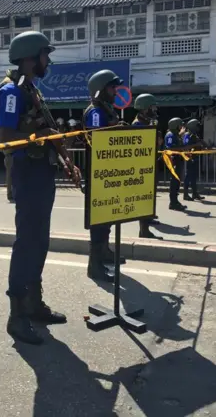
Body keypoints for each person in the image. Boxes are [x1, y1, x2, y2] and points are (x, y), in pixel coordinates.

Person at [0, 30, 81, 345]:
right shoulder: (12, 92)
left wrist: (68, 161)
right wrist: (39, 129)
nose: (49, 60)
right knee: (28, 242)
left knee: (40, 241)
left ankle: (32, 304)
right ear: (31, 57)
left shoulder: (32, 89)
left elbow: (50, 130)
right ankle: (16, 315)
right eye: (46, 54)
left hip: (42, 170)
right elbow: (6, 138)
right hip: (27, 171)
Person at [82, 69, 127, 282]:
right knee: (98, 222)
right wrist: (114, 129)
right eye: (111, 87)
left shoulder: (106, 109)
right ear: (100, 90)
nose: (115, 91)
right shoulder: (95, 112)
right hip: (96, 174)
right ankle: (94, 265)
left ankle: (105, 252)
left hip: (108, 173)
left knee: (107, 218)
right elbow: (97, 140)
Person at [132, 93, 163, 235]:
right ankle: (143, 230)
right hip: (142, 166)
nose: (155, 110)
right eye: (152, 107)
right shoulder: (138, 124)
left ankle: (148, 218)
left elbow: (158, 142)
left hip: (150, 163)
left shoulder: (149, 122)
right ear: (145, 108)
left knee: (150, 194)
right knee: (144, 196)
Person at [165, 117, 192, 211]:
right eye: (180, 125)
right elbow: (171, 148)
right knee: (174, 182)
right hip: (174, 160)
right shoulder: (170, 135)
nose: (181, 127)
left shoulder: (176, 135)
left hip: (178, 160)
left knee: (177, 182)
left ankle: (175, 201)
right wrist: (182, 149)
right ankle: (173, 202)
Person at [182, 119, 206, 201]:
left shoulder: (194, 135)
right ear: (193, 126)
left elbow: (201, 142)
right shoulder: (187, 135)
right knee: (188, 176)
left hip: (195, 158)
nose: (198, 128)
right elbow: (185, 147)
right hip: (190, 158)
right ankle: (185, 194)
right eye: (197, 126)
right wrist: (196, 144)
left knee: (194, 177)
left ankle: (195, 194)